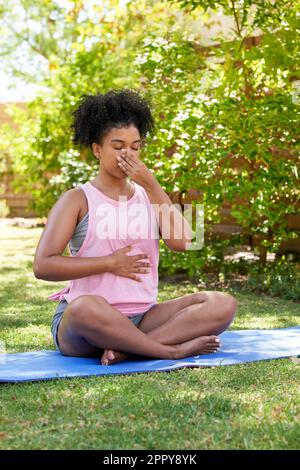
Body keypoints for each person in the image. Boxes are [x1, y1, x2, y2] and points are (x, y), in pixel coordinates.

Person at [33, 88, 237, 366]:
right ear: (97, 149)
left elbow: (185, 242)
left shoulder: (149, 195)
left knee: (222, 304)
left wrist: (152, 184)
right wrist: (109, 263)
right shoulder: (77, 199)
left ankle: (128, 350)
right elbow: (43, 266)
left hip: (143, 317)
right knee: (84, 308)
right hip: (89, 325)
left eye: (135, 146)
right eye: (117, 147)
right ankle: (170, 350)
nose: (127, 154)